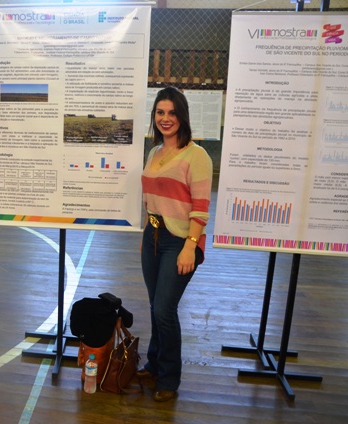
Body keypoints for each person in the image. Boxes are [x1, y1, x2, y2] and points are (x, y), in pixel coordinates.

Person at [137, 87, 212, 402]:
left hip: (180, 240)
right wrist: (147, 232)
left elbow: (201, 207)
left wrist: (190, 246)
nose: (165, 118)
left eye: (171, 112)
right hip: (152, 236)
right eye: (160, 112)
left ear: (182, 116)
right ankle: (154, 364)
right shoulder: (154, 152)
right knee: (155, 306)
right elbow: (151, 199)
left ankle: (168, 378)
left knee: (165, 309)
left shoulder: (197, 156)